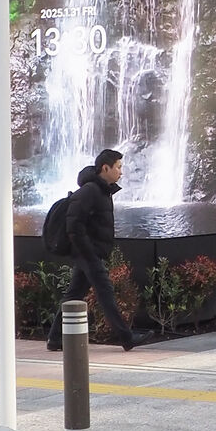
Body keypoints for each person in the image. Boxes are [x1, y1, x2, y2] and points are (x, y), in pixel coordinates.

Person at [46, 149, 146, 352]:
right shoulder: (90, 191)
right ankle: (126, 338)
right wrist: (89, 252)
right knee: (105, 292)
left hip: (90, 253)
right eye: (118, 167)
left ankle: (54, 338)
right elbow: (74, 225)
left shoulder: (102, 191)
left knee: (74, 294)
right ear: (105, 168)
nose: (121, 172)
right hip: (88, 254)